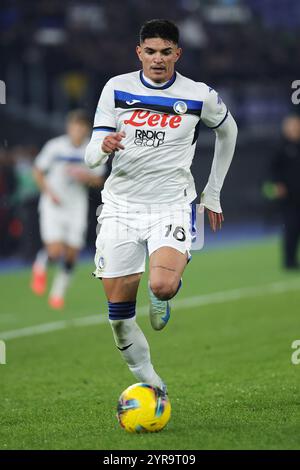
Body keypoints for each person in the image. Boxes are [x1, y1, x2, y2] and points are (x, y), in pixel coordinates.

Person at [85, 19, 238, 393]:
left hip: (171, 204)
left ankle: (160, 291)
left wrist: (212, 192)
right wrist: (101, 149)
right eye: (150, 51)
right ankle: (152, 383)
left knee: (163, 284)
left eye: (165, 52)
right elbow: (91, 155)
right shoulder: (116, 88)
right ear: (139, 52)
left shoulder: (199, 95)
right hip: (120, 206)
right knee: (119, 317)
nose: (157, 59)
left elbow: (229, 130)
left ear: (177, 54)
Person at [31, 110, 106, 309]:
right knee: (55, 251)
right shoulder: (55, 147)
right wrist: (49, 192)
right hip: (53, 204)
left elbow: (99, 179)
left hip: (76, 206)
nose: (78, 130)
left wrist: (86, 177)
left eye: (82, 127)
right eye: (75, 126)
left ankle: (58, 293)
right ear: (69, 127)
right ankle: (40, 265)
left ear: (87, 129)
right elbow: (37, 170)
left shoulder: (91, 149)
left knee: (72, 253)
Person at [270, 114, 300, 269]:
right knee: (292, 228)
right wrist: (277, 184)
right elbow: (272, 169)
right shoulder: (280, 147)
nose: (294, 129)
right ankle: (289, 261)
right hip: (289, 197)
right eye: (291, 126)